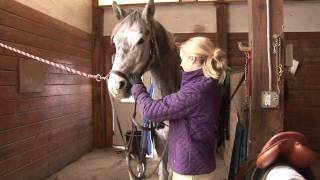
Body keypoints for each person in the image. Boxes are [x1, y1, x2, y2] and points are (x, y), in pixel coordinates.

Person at [128, 37, 228, 180]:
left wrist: (137, 86)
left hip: (191, 171)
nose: (181, 64)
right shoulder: (208, 82)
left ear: (193, 59)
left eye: (183, 59)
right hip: (198, 162)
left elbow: (150, 111)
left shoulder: (195, 91)